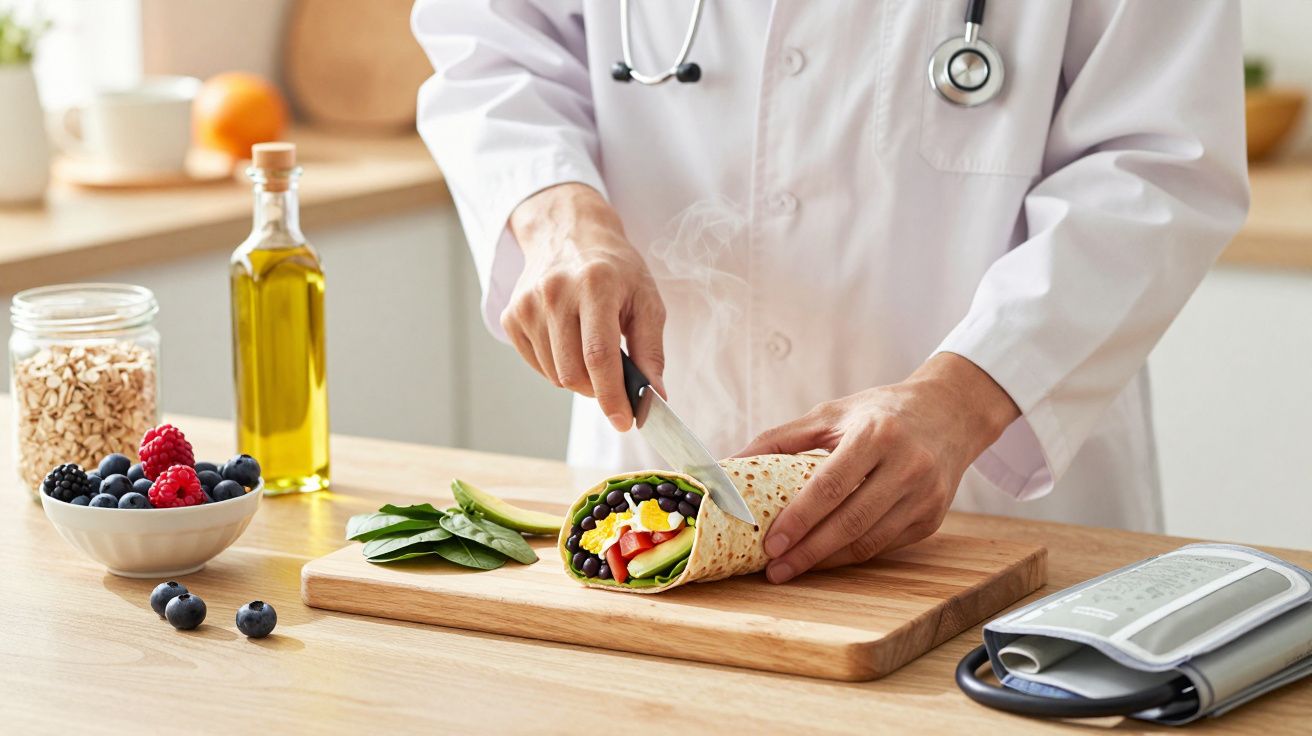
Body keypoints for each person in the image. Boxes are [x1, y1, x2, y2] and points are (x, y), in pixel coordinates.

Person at [411, 1, 1248, 584]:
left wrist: (966, 396)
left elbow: (1160, 158)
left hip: (997, 514)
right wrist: (554, 209)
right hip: (656, 482)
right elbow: (490, 42)